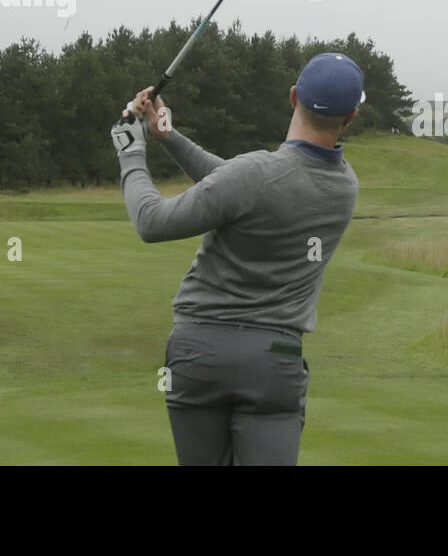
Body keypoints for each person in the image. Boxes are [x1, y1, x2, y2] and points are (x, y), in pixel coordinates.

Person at [109, 52, 364, 465]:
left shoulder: (256, 173)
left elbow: (152, 222)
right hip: (274, 361)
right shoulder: (344, 187)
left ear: (293, 95)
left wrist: (130, 152)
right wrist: (169, 136)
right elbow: (236, 184)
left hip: (198, 353)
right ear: (350, 117)